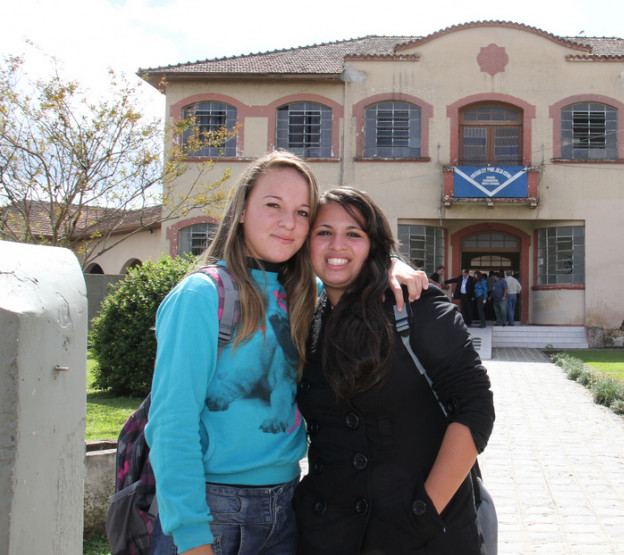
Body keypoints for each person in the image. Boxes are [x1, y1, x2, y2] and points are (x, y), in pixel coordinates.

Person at [146, 152, 427, 555]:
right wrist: (191, 535)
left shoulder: (307, 292)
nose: (288, 223)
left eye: (302, 212)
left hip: (287, 505)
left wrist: (390, 264)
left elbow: (351, 259)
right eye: (273, 205)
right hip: (212, 510)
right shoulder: (202, 295)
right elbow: (172, 424)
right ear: (242, 210)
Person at [294, 187, 495, 554]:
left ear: (374, 244)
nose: (337, 245)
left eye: (353, 233)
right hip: (329, 533)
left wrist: (422, 513)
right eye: (324, 232)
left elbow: (474, 407)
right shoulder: (305, 318)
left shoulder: (415, 305)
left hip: (421, 533)